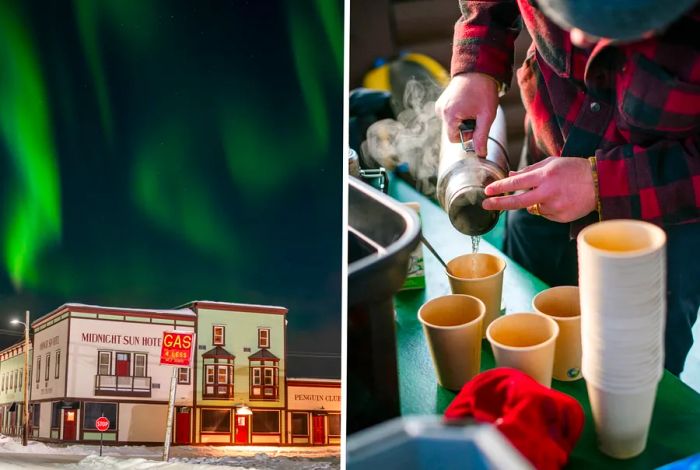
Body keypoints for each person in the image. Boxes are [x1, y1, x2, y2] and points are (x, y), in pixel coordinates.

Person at [436, 0, 700, 376]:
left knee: (630, 380)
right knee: (522, 343)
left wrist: (601, 183)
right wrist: (477, 63)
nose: (576, 38)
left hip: (664, 214)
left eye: (614, 24)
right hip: (548, 154)